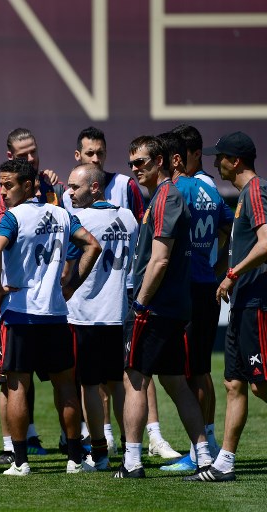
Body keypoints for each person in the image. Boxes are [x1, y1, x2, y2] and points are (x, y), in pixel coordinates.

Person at [0, 158, 102, 476]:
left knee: (17, 387)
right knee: (65, 386)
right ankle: (75, 459)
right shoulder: (62, 214)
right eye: (1, 183)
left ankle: (21, 462)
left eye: (9, 184)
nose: (3, 191)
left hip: (20, 315)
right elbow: (92, 245)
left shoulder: (12, 217)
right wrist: (70, 287)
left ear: (28, 185)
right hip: (55, 314)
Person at [115, 135, 213, 479]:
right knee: (175, 382)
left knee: (135, 380)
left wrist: (140, 303)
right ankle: (203, 458)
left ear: (161, 161)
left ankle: (132, 462)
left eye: (140, 162)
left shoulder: (167, 197)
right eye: (131, 164)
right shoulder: (162, 197)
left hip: (155, 308)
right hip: (169, 307)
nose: (135, 169)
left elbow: (159, 260)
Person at [186, 131, 266, 482]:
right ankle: (225, 464)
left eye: (219, 157)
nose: (215, 162)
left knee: (259, 385)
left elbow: (266, 243)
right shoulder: (242, 196)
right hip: (243, 302)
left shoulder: (256, 190)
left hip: (256, 302)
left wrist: (230, 273)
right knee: (233, 383)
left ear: (235, 161)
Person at [154, 132, 232, 471]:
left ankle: (197, 449)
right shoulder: (210, 189)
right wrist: (217, 264)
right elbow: (228, 224)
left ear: (173, 160)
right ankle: (210, 441)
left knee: (188, 372)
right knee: (200, 369)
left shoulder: (178, 190)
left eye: (159, 159)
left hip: (185, 289)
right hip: (207, 286)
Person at [65, 163, 138, 470]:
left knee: (90, 385)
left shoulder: (77, 220)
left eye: (75, 187)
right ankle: (129, 448)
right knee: (120, 383)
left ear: (95, 187)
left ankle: (100, 453)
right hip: (119, 313)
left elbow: (67, 269)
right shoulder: (130, 217)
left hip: (85, 315)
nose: (69, 192)